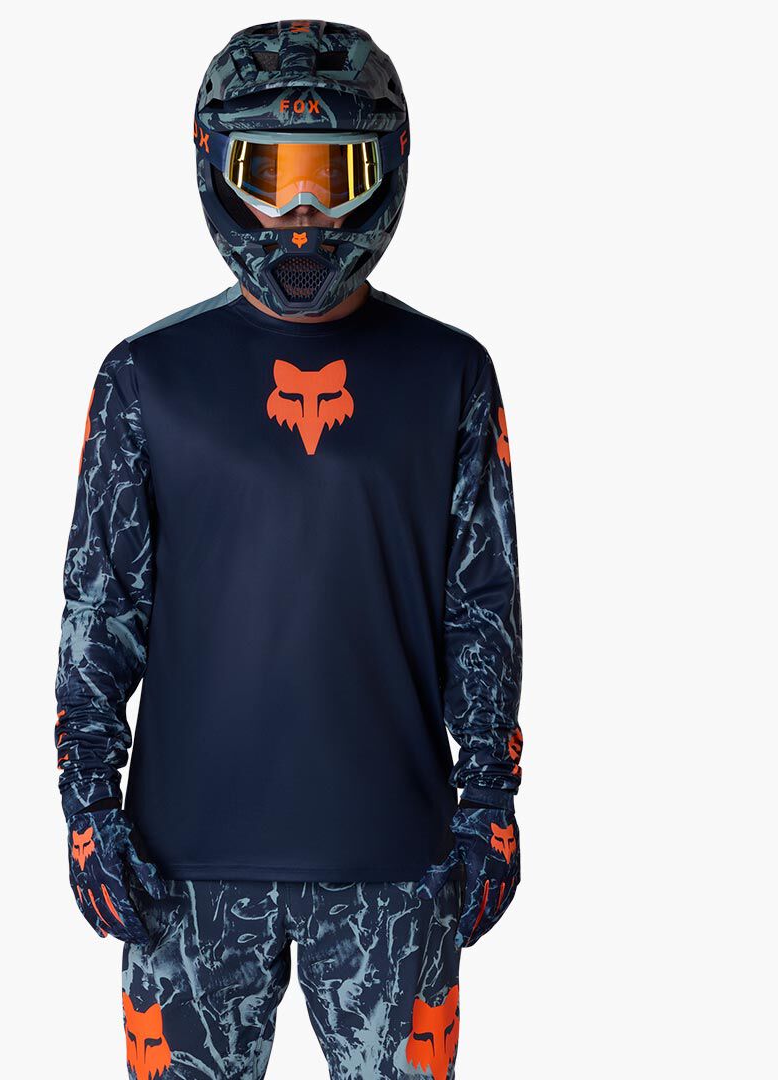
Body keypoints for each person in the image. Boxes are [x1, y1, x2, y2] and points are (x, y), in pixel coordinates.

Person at [55, 20, 523, 1080]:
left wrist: (491, 800)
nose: (302, 211)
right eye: (270, 175)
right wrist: (87, 807)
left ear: (385, 168)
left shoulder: (451, 374)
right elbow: (100, 611)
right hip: (182, 872)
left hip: (396, 868)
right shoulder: (145, 379)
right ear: (217, 166)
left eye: (334, 174)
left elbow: (481, 607)